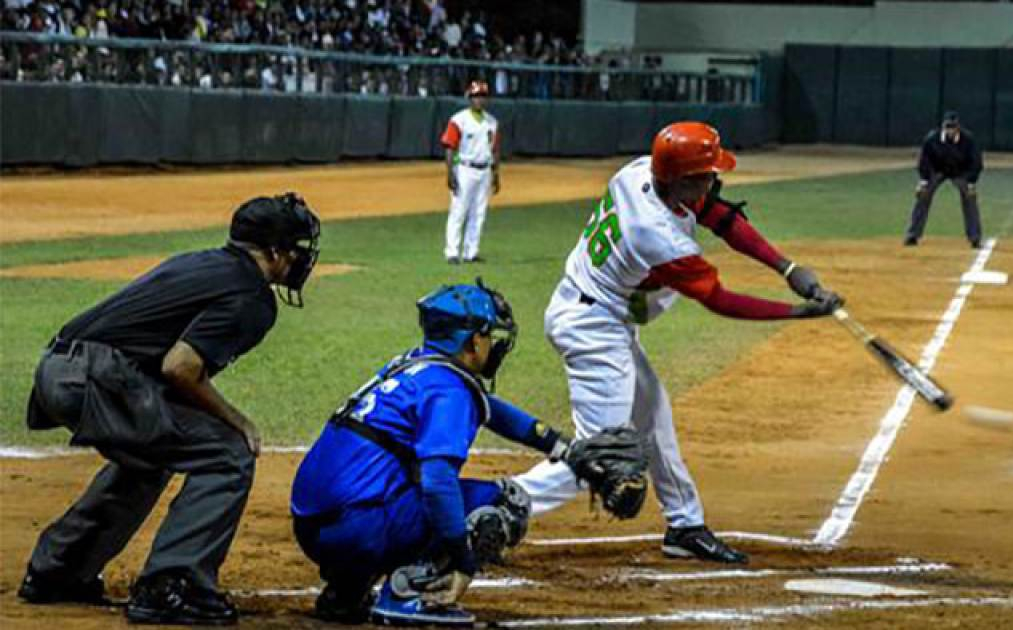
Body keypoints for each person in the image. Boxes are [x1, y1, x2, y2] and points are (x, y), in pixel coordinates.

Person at [512, 121, 844, 564]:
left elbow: (720, 215)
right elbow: (720, 300)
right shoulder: (656, 234)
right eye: (706, 174)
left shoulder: (640, 173)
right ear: (682, 179)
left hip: (602, 313)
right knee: (604, 455)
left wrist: (789, 269)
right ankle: (501, 503)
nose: (714, 179)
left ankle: (684, 525)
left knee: (653, 417)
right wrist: (797, 312)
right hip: (591, 327)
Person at [19, 193, 321, 625]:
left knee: (153, 454)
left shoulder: (203, 262)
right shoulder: (252, 296)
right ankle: (172, 585)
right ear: (274, 252)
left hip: (62, 369)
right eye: (296, 250)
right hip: (99, 377)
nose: (300, 261)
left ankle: (58, 571)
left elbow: (165, 366)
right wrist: (237, 421)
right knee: (226, 452)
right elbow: (181, 368)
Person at [291, 281, 593, 626]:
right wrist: (462, 557)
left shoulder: (413, 366)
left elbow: (490, 409)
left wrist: (561, 447)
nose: (493, 345)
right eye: (490, 336)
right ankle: (412, 595)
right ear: (472, 340)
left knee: (388, 483)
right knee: (502, 503)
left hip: (314, 529)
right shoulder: (449, 390)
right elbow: (437, 482)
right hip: (359, 532)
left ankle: (347, 591)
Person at [904, 111, 984, 248]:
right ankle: (912, 235)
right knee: (923, 195)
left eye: (953, 127)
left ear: (958, 127)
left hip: (960, 172)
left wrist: (971, 182)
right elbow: (924, 161)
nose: (950, 130)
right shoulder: (932, 139)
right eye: (948, 127)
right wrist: (924, 181)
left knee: (970, 198)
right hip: (937, 170)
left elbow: (976, 162)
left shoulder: (968, 140)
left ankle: (974, 237)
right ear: (943, 127)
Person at [441, 79, 500, 265]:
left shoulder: (492, 122)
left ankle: (470, 252)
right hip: (465, 169)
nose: (479, 100)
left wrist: (496, 174)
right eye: (476, 96)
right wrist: (450, 173)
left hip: (484, 170)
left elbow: (495, 149)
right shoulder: (458, 120)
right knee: (459, 211)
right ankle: (452, 252)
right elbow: (449, 147)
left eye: (483, 96)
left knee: (479, 213)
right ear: (469, 98)